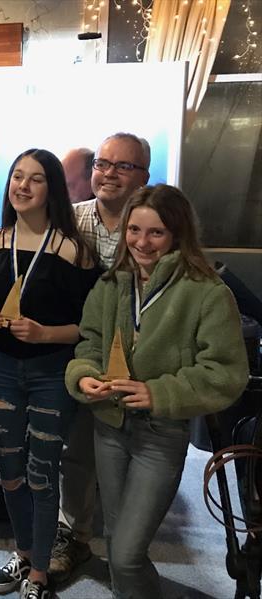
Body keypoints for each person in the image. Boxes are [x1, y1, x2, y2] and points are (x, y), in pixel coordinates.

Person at [65, 184, 248, 599]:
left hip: (160, 434)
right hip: (108, 426)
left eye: (156, 233)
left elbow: (225, 373)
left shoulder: (207, 292)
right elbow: (89, 344)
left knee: (128, 553)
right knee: (115, 541)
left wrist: (158, 393)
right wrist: (84, 375)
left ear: (178, 234)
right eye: (134, 230)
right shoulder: (112, 284)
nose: (141, 243)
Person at [0, 149, 99, 599]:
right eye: (16, 177)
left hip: (52, 372)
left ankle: (41, 573)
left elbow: (91, 327)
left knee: (41, 473)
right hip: (3, 369)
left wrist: (46, 333)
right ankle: (25, 552)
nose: (23, 186)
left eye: (36, 179)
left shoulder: (73, 252)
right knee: (9, 471)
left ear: (53, 189)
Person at [51, 132, 151, 583]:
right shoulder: (69, 221)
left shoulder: (153, 224)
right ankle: (74, 536)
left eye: (122, 166)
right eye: (102, 164)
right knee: (77, 452)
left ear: (143, 176)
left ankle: (130, 549)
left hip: (144, 362)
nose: (108, 173)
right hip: (83, 357)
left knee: (138, 456)